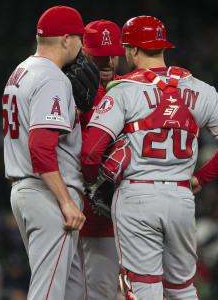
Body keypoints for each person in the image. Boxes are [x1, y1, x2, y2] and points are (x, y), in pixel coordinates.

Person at [80, 16, 218, 300]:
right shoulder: (198, 87)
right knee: (182, 288)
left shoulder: (122, 90)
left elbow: (90, 152)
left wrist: (96, 182)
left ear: (132, 50)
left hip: (137, 196)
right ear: (162, 47)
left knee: (144, 289)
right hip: (181, 197)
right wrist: (200, 178)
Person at [3, 5, 98, 299]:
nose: (82, 46)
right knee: (48, 293)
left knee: (67, 290)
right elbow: (41, 148)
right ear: (66, 39)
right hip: (47, 195)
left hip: (27, 190)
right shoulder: (52, 77)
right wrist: (66, 201)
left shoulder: (21, 71)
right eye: (79, 38)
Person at [79, 19, 125, 300]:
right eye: (99, 55)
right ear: (84, 52)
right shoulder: (76, 93)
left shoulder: (126, 90)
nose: (107, 61)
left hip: (118, 215)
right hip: (88, 213)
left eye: (113, 54)